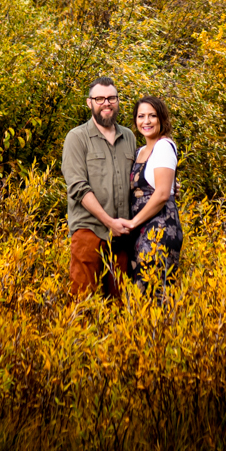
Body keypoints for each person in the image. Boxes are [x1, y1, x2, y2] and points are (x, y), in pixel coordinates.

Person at [61, 76, 135, 300]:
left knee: (120, 305)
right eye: (100, 98)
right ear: (89, 102)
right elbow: (78, 188)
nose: (106, 103)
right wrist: (108, 222)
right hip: (89, 231)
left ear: (118, 101)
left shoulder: (129, 137)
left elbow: (136, 180)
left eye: (111, 98)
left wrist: (167, 188)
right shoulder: (77, 138)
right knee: (82, 303)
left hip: (122, 235)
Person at [123, 95, 182, 297]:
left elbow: (163, 194)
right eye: (141, 116)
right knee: (137, 294)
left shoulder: (164, 146)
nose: (146, 121)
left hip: (160, 230)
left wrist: (132, 223)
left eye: (152, 116)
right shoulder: (140, 151)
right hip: (141, 231)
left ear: (161, 119)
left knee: (153, 294)